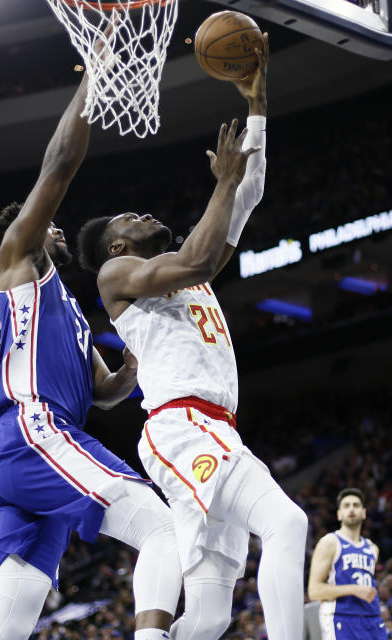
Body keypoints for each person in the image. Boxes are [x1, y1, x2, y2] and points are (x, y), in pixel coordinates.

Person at [78, 39, 309, 640]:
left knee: (208, 615)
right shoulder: (119, 276)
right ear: (117, 247)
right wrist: (221, 183)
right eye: (131, 217)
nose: (144, 213)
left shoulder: (179, 263)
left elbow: (247, 193)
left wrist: (257, 104)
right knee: (286, 524)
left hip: (210, 428)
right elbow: (204, 260)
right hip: (182, 427)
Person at [0, 64, 181, 640]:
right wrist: (95, 80)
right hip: (36, 431)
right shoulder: (21, 261)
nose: (58, 226)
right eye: (49, 222)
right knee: (160, 528)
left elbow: (108, 392)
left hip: (20, 453)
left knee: (19, 603)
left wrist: (139, 359)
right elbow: (60, 165)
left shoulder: (67, 309)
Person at [308, 488, 386, 640]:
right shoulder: (330, 542)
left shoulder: (372, 548)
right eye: (346, 505)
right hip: (342, 617)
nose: (351, 509)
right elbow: (314, 591)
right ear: (339, 514)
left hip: (372, 618)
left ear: (364, 513)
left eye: (356, 505)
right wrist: (354, 589)